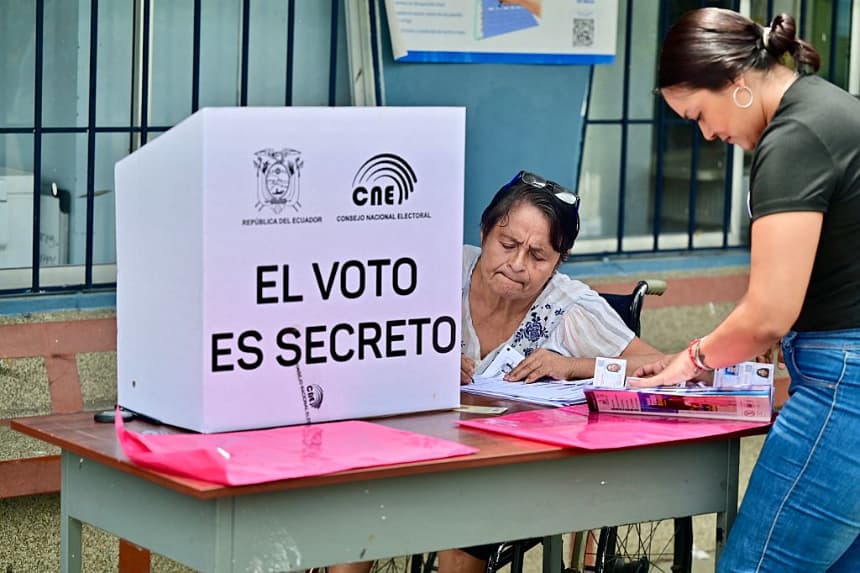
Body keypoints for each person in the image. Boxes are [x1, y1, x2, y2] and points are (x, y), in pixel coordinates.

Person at [331, 171, 664, 573]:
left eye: (538, 256)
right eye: (507, 245)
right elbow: (357, 339)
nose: (517, 264)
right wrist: (421, 358)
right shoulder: (438, 270)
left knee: (463, 528)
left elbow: (661, 366)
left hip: (503, 473)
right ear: (486, 232)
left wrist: (574, 366)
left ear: (559, 261)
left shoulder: (569, 307)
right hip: (414, 453)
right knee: (357, 511)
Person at [631, 8, 860, 572]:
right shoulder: (832, 108)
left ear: (735, 84)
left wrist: (690, 361)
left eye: (698, 115)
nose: (707, 134)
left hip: (845, 388)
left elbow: (767, 313)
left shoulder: (795, 138)